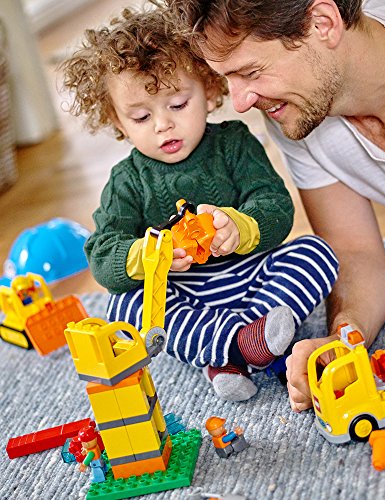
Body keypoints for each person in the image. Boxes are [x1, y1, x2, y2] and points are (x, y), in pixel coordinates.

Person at [172, 0, 385, 411]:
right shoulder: (296, 109)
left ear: (322, 23)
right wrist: (346, 336)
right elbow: (355, 252)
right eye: (228, 78)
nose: (239, 102)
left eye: (251, 72)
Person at [60, 6, 339, 402]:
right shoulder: (126, 181)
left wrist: (238, 226)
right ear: (118, 122)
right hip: (185, 295)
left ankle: (232, 349)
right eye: (140, 117)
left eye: (177, 105)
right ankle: (238, 345)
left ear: (209, 90)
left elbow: (275, 206)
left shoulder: (234, 143)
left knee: (318, 252)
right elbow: (103, 257)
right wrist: (148, 256)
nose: (163, 125)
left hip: (252, 276)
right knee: (124, 308)